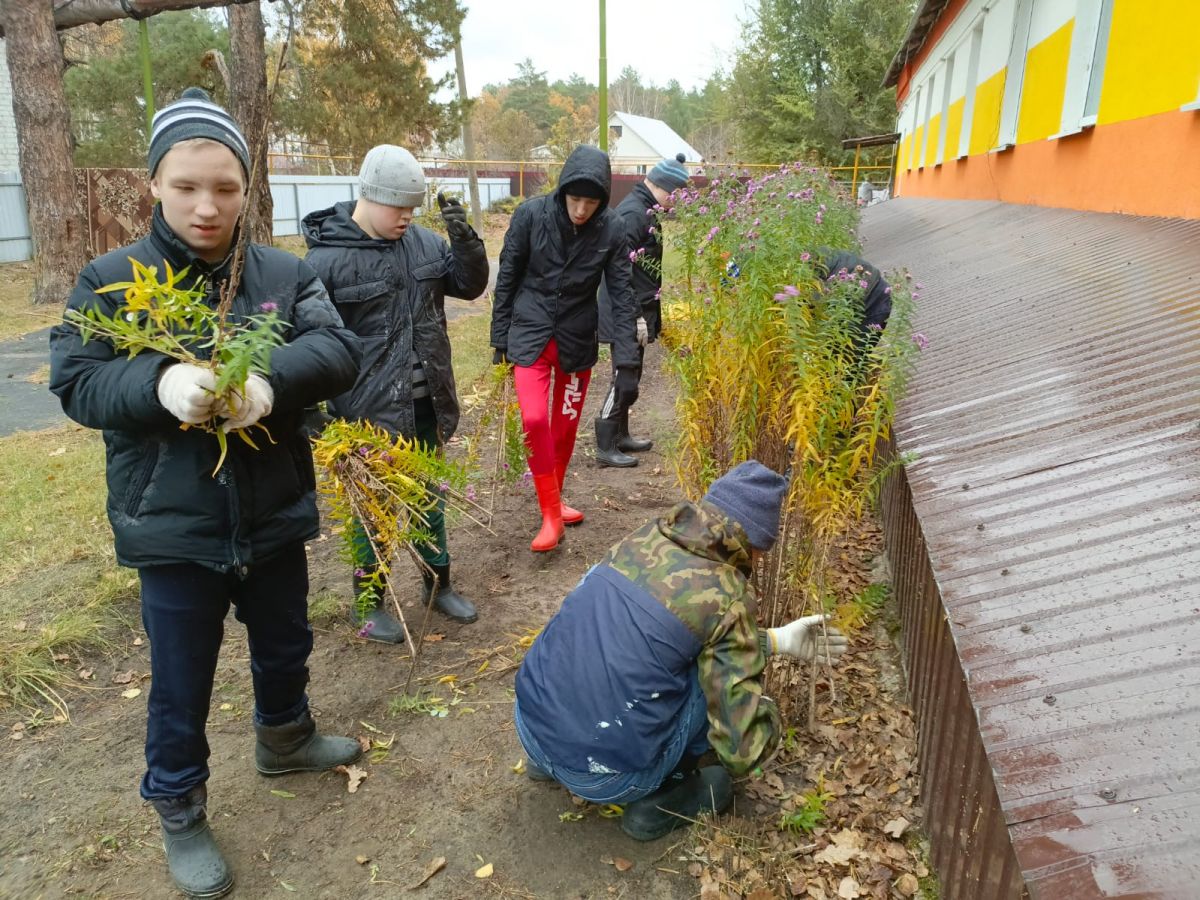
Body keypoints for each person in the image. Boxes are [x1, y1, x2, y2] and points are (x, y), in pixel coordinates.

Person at [48, 88, 364, 898]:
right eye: (187, 185)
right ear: (155, 183)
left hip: (271, 510)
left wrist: (267, 382)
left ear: (247, 187)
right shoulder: (113, 280)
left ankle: (285, 738)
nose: (207, 205)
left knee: (286, 641)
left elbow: (337, 349)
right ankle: (179, 804)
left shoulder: (283, 274)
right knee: (181, 677)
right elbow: (78, 380)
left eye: (226, 187)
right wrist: (159, 382)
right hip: (173, 525)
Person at [513, 461, 849, 841]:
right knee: (707, 697)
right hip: (607, 779)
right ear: (754, 544)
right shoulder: (728, 594)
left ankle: (549, 759)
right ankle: (662, 801)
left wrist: (776, 641)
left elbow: (654, 639)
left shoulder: (642, 540)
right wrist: (767, 712)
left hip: (528, 724)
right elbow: (742, 752)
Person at [303, 145, 490, 641]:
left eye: (413, 207)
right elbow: (308, 342)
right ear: (369, 196)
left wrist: (463, 238)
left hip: (428, 404)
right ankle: (368, 604)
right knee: (373, 511)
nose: (406, 217)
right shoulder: (327, 261)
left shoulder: (426, 245)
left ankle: (437, 584)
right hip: (366, 414)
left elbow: (470, 287)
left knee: (431, 498)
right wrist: (313, 411)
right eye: (397, 207)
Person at [491, 144, 641, 552]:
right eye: (574, 200)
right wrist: (498, 338)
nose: (580, 210)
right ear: (562, 194)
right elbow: (507, 275)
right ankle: (552, 514)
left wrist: (626, 355)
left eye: (590, 202)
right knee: (535, 419)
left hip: (576, 340)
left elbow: (622, 294)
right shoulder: (530, 216)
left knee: (564, 429)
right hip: (530, 333)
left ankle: (551, 506)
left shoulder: (612, 228)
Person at [594, 153, 690, 467]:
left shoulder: (646, 210)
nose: (677, 203)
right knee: (624, 377)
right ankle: (605, 443)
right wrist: (634, 315)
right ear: (665, 188)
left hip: (636, 309)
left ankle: (621, 435)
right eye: (677, 196)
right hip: (624, 311)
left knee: (631, 374)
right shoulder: (634, 214)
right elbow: (620, 272)